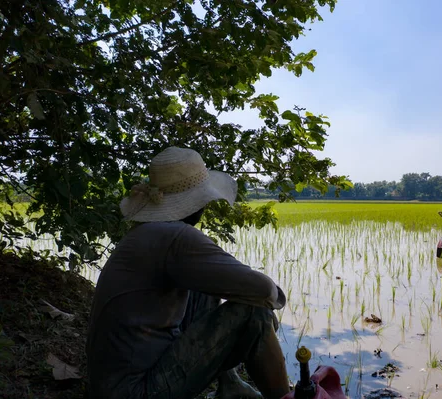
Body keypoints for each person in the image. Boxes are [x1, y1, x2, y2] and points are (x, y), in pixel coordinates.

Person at [86, 146, 290, 399]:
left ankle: (231, 385)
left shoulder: (147, 232)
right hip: (135, 391)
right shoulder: (176, 237)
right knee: (254, 312)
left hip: (109, 385)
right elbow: (265, 292)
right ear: (196, 202)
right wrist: (269, 312)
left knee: (202, 285)